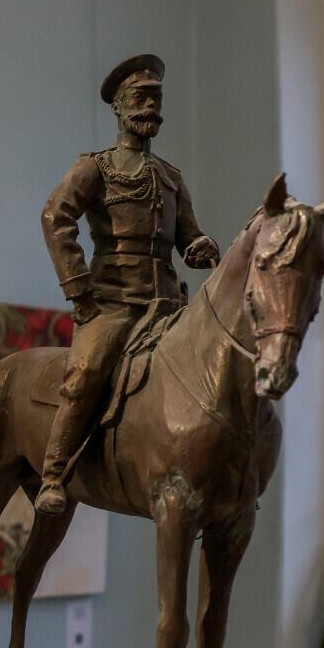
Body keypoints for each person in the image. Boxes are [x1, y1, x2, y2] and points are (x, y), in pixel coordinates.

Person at [34, 54, 220, 514]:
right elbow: (55, 218)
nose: (150, 107)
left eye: (156, 99)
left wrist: (201, 245)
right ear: (119, 106)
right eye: (140, 98)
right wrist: (78, 288)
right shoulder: (95, 168)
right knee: (85, 374)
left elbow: (188, 236)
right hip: (113, 302)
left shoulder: (171, 177)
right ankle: (54, 475)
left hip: (168, 305)